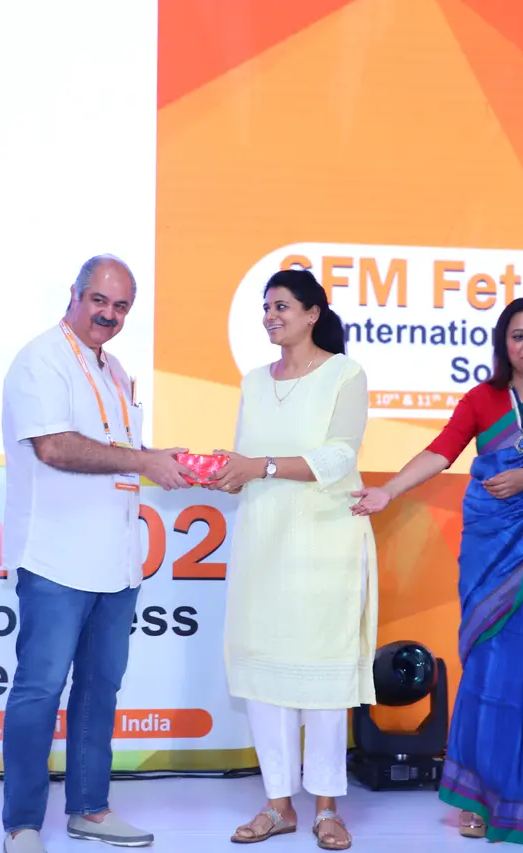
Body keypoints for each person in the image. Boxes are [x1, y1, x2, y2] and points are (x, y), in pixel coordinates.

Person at [351, 296, 523, 852]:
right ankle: (480, 798)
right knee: (489, 672)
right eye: (518, 336)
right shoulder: (481, 399)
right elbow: (442, 451)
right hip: (490, 551)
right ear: (503, 344)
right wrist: (388, 490)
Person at [0, 254, 194, 853]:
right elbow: (55, 448)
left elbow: (120, 449)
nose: (109, 314)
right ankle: (22, 825)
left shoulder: (114, 369)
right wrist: (143, 459)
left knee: (99, 690)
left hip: (116, 560)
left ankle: (90, 808)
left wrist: (167, 460)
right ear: (75, 294)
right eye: (99, 301)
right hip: (56, 558)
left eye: (121, 306)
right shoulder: (41, 359)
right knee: (39, 691)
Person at [209, 267, 377, 851]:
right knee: (266, 672)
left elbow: (338, 457)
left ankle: (327, 807)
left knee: (323, 672)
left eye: (282, 306)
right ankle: (277, 804)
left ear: (312, 314)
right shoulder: (255, 381)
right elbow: (248, 458)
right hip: (263, 540)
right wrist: (228, 472)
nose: (270, 316)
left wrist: (260, 466)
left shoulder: (345, 373)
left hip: (326, 543)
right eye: (266, 306)